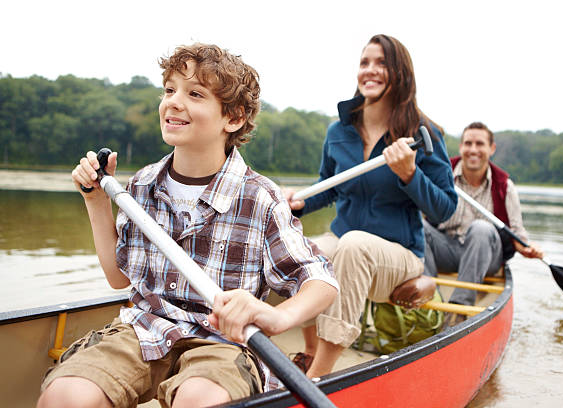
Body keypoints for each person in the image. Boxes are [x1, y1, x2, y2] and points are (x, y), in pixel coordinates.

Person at [37, 43, 338, 408]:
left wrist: (276, 316)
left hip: (223, 343)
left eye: (194, 93)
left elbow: (320, 281)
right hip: (145, 327)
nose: (174, 101)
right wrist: (95, 200)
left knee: (201, 399)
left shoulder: (260, 197)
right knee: (66, 395)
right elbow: (120, 278)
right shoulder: (142, 185)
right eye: (169, 90)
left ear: (234, 118)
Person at [285, 34, 457, 378]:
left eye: (381, 63)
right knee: (305, 249)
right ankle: (310, 349)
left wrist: (410, 175)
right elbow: (328, 188)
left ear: (400, 73)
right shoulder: (338, 132)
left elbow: (445, 209)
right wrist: (300, 203)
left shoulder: (422, 134)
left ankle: (318, 377)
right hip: (347, 242)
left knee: (353, 246)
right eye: (365, 62)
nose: (371, 70)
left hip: (400, 256)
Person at [423, 121, 543, 321]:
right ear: (461, 147)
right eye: (468, 144)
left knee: (481, 228)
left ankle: (458, 311)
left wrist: (529, 248)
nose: (473, 150)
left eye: (480, 144)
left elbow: (518, 235)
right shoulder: (441, 174)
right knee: (419, 227)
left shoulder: (505, 186)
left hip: (485, 256)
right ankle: (428, 303)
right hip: (447, 249)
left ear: (491, 149)